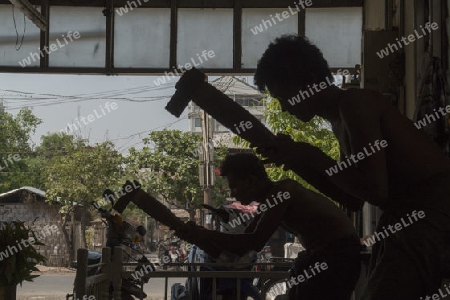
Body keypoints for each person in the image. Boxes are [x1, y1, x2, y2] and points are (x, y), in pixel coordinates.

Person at [252, 34, 450, 299]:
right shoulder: (340, 119)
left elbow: (374, 191)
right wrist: (298, 159)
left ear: (306, 81)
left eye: (283, 96)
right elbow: (352, 198)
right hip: (410, 215)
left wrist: (309, 155)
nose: (284, 108)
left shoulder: (355, 105)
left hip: (431, 209)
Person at [117, 153, 361, 300]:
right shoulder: (272, 199)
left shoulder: (283, 192)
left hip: (336, 256)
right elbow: (242, 243)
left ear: (251, 180)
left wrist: (201, 233)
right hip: (327, 256)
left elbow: (250, 243)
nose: (232, 193)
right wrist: (197, 236)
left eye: (234, 186)